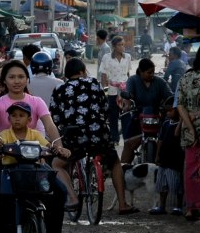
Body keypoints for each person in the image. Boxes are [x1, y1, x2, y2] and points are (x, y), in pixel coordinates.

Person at [0, 60, 67, 233]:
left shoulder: (36, 102)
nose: (17, 81)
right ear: (4, 81)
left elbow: (50, 125)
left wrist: (58, 146)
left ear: (27, 79)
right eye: (12, 77)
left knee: (60, 191)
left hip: (33, 158)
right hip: (3, 158)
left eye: (21, 76)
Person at [0, 101, 70, 233]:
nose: (17, 119)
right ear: (8, 119)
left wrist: (59, 149)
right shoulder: (5, 135)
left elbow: (48, 146)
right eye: (13, 116)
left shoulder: (35, 135)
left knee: (61, 190)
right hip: (10, 171)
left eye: (21, 115)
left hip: (34, 172)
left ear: (29, 119)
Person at [49, 58, 139, 215]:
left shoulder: (59, 89)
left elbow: (55, 118)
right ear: (83, 71)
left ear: (66, 74)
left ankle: (72, 198)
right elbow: (104, 108)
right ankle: (123, 204)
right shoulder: (93, 83)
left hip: (74, 138)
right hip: (99, 135)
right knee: (115, 163)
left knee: (57, 165)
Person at [175, 42, 200, 221]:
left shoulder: (185, 78)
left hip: (188, 130)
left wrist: (189, 126)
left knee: (190, 168)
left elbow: (180, 106)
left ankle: (191, 207)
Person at [120, 58, 174, 164]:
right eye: (149, 73)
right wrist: (127, 105)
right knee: (128, 143)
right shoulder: (133, 80)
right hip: (138, 116)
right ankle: (123, 169)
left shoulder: (160, 82)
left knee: (169, 141)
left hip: (157, 117)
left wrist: (169, 104)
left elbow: (169, 96)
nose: (152, 75)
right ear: (141, 71)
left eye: (153, 72)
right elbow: (128, 97)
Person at [150, 105, 185, 215]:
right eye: (167, 111)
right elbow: (160, 140)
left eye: (170, 110)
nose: (168, 113)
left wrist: (181, 121)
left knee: (176, 184)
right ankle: (162, 206)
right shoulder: (165, 124)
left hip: (175, 159)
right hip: (164, 158)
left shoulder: (182, 124)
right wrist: (157, 155)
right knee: (162, 184)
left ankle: (178, 206)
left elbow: (178, 135)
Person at [99, 35, 132, 145]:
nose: (123, 47)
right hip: (112, 90)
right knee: (113, 115)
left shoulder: (127, 57)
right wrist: (105, 91)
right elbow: (104, 76)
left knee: (126, 114)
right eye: (120, 45)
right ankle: (115, 138)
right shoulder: (106, 57)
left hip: (124, 90)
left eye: (123, 44)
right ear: (114, 46)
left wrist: (129, 88)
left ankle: (127, 138)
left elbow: (127, 73)